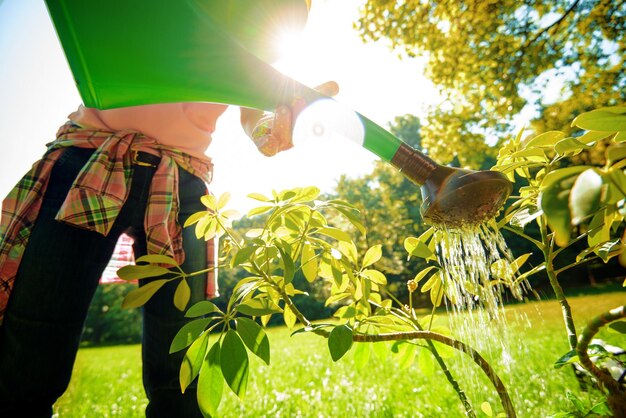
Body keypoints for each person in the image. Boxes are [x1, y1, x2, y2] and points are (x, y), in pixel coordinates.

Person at [0, 77, 338, 417]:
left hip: (183, 178)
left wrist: (268, 131)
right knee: (27, 363)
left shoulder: (250, 39)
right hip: (91, 158)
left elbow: (250, 112)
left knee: (180, 381)